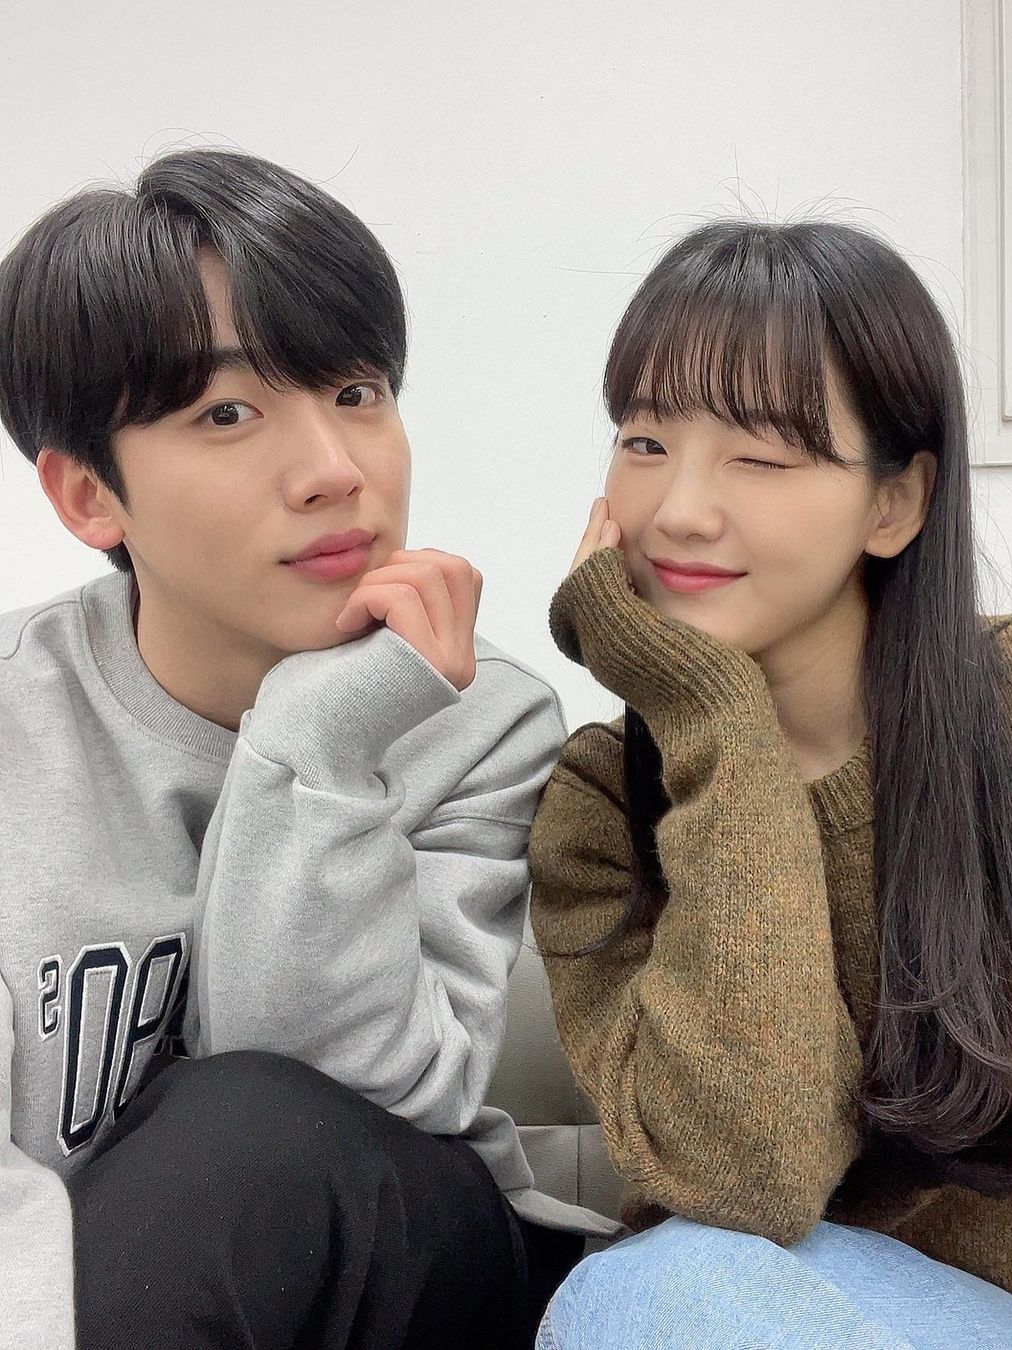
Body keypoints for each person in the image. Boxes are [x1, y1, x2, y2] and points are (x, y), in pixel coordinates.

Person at [0, 148, 610, 1350]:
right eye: (227, 414)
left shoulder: (482, 721)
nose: (335, 471)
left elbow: (359, 1097)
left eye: (357, 392)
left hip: (407, 1258)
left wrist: (318, 740)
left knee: (244, 1123)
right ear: (88, 499)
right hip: (98, 1299)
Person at [527, 219, 1012, 1348]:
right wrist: (714, 718)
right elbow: (749, 1178)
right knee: (646, 1293)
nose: (679, 509)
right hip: (800, 1313)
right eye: (644, 442)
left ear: (896, 504)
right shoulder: (601, 811)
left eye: (762, 457)